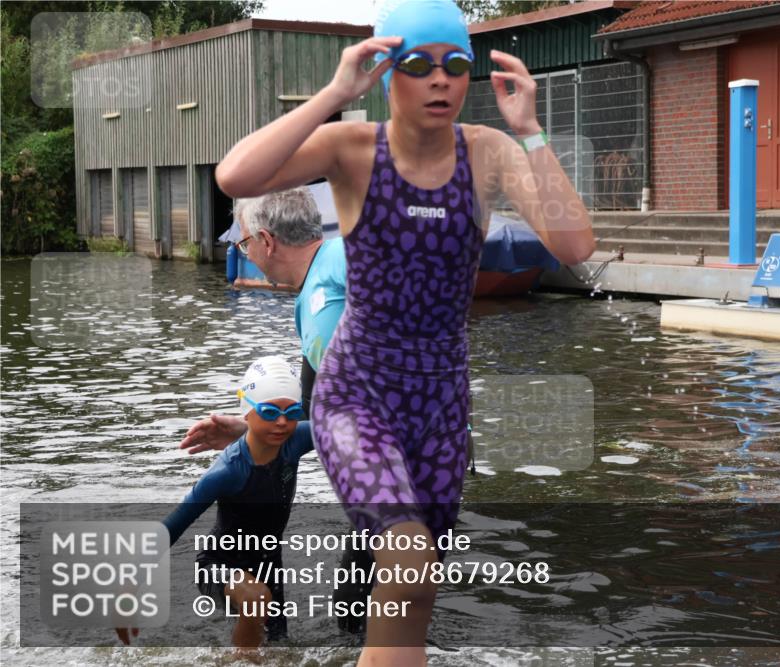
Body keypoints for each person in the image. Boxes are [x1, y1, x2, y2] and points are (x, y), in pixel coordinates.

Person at [214, 0, 594, 663]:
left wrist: (530, 130)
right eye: (419, 64)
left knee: (413, 590)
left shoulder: (489, 152)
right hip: (359, 392)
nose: (440, 80)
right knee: (408, 557)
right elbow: (235, 175)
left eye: (456, 66)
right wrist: (334, 94)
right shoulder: (352, 149)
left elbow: (574, 242)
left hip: (442, 405)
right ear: (389, 72)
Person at [180, 187, 374, 634]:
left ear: (266, 241)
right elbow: (312, 414)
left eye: (243, 244)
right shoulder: (306, 307)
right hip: (375, 476)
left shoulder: (345, 258)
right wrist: (255, 430)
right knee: (352, 611)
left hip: (413, 461)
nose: (243, 254)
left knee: (385, 607)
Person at [120, 357, 311, 650]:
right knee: (256, 599)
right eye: (270, 412)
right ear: (248, 411)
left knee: (278, 648)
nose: (282, 422)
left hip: (268, 563)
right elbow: (174, 523)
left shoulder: (295, 440)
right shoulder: (228, 471)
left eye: (292, 411)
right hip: (218, 565)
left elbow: (348, 425)